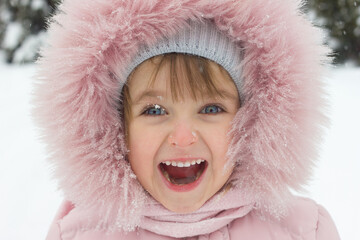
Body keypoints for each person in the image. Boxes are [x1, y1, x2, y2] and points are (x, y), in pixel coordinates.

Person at [33, 0, 341, 239]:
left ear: (254, 123)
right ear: (116, 130)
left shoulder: (304, 232)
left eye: (210, 109)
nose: (182, 137)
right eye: (154, 110)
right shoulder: (77, 234)